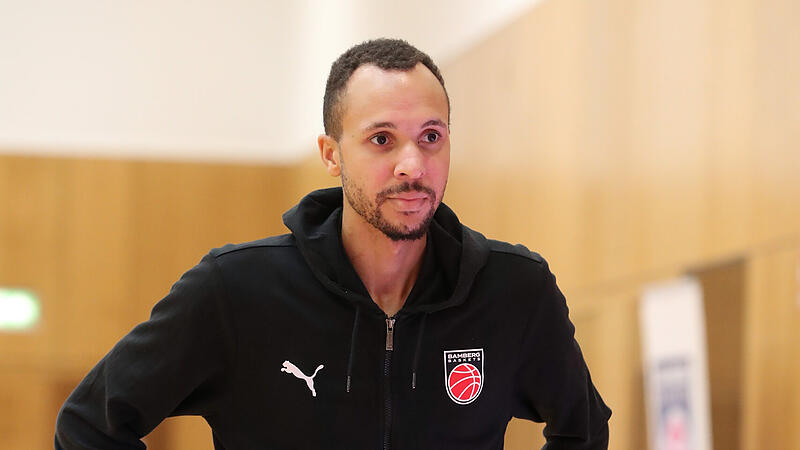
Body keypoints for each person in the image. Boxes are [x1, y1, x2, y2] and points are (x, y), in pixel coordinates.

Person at [55, 38, 611, 449]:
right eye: (382, 139)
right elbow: (88, 425)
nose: (412, 164)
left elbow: (583, 430)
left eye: (431, 136)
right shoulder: (236, 290)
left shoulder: (514, 290)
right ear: (331, 154)